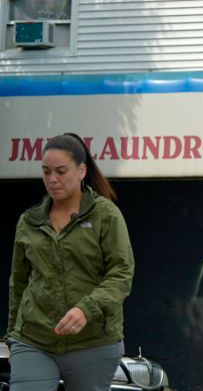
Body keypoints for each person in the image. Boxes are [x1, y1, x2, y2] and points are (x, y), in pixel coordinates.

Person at [8, 133, 135, 391]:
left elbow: (121, 273)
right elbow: (18, 282)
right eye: (46, 172)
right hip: (34, 339)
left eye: (61, 171)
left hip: (93, 342)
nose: (52, 179)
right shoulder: (29, 221)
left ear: (81, 170)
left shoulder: (105, 214)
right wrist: (13, 334)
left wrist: (85, 309)